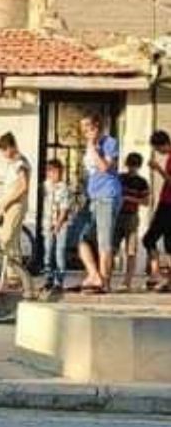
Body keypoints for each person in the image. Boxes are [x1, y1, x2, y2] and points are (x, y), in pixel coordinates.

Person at [73, 113, 121, 293]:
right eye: (83, 129)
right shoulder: (90, 145)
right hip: (93, 197)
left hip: (107, 195)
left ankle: (104, 282)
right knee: (81, 237)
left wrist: (93, 147)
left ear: (97, 126)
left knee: (104, 241)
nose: (86, 131)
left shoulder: (109, 142)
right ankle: (94, 275)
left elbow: (104, 167)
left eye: (89, 127)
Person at [0, 132, 31, 287]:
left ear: (11, 147)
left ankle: (15, 274)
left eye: (4, 150)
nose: (3, 154)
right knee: (12, 241)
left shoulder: (19, 163)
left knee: (6, 239)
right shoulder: (13, 163)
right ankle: (13, 276)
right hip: (11, 204)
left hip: (15, 204)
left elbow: (23, 186)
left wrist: (7, 202)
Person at [118, 152, 151, 291]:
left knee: (131, 250)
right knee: (111, 246)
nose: (133, 168)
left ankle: (127, 281)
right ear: (127, 164)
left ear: (139, 166)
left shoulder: (142, 182)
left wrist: (129, 199)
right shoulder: (119, 178)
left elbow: (146, 201)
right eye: (131, 165)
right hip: (118, 215)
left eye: (135, 166)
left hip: (132, 216)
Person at [42, 158, 75, 293]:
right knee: (48, 252)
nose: (57, 175)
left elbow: (64, 209)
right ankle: (48, 278)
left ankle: (59, 281)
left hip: (61, 224)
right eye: (53, 172)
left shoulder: (64, 188)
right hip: (47, 223)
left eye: (59, 172)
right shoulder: (45, 186)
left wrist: (58, 224)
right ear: (48, 173)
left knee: (59, 252)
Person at [145, 130, 171, 292]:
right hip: (166, 202)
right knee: (167, 242)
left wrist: (158, 169)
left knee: (149, 239)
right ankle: (164, 279)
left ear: (162, 144)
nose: (157, 152)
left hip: (168, 204)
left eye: (157, 148)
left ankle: (157, 275)